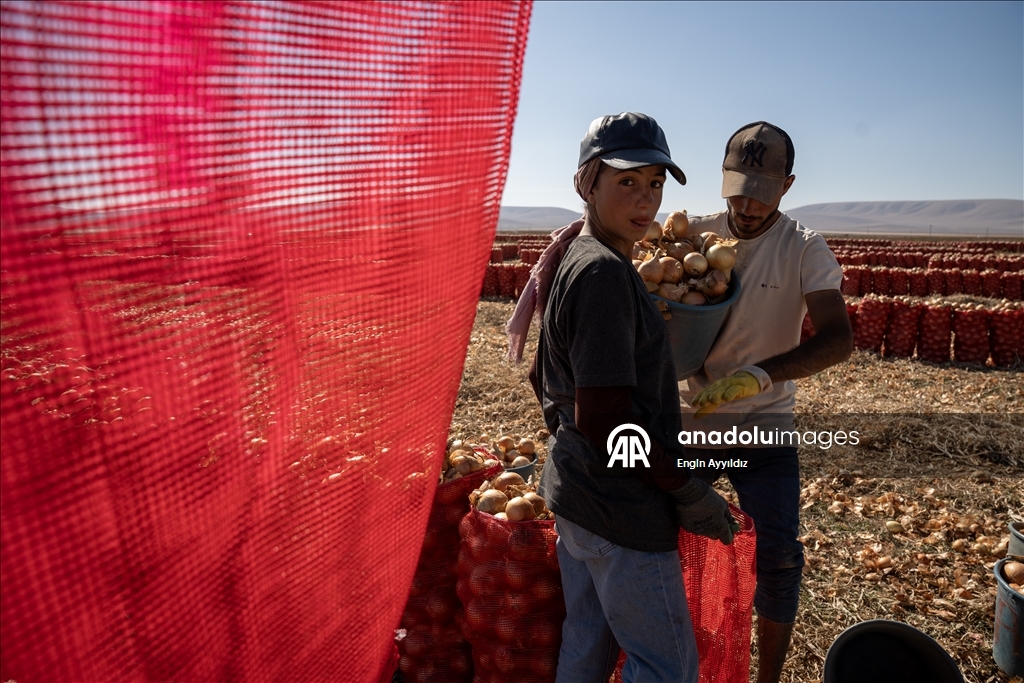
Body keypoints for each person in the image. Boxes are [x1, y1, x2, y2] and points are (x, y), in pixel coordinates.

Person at [506, 112, 736, 683]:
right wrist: (682, 488)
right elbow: (608, 417)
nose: (645, 200)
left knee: (586, 647)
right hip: (619, 511)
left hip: (576, 492)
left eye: (655, 183)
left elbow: (548, 378)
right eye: (627, 182)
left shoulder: (576, 257)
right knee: (666, 668)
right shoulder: (603, 272)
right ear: (588, 183)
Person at [678, 121, 854, 683]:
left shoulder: (803, 247)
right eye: (738, 187)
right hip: (690, 422)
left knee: (778, 558)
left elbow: (838, 339)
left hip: (764, 426)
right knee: (669, 546)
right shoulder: (690, 237)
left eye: (765, 189)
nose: (749, 203)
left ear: (789, 184)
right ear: (722, 179)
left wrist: (761, 375)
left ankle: (768, 679)